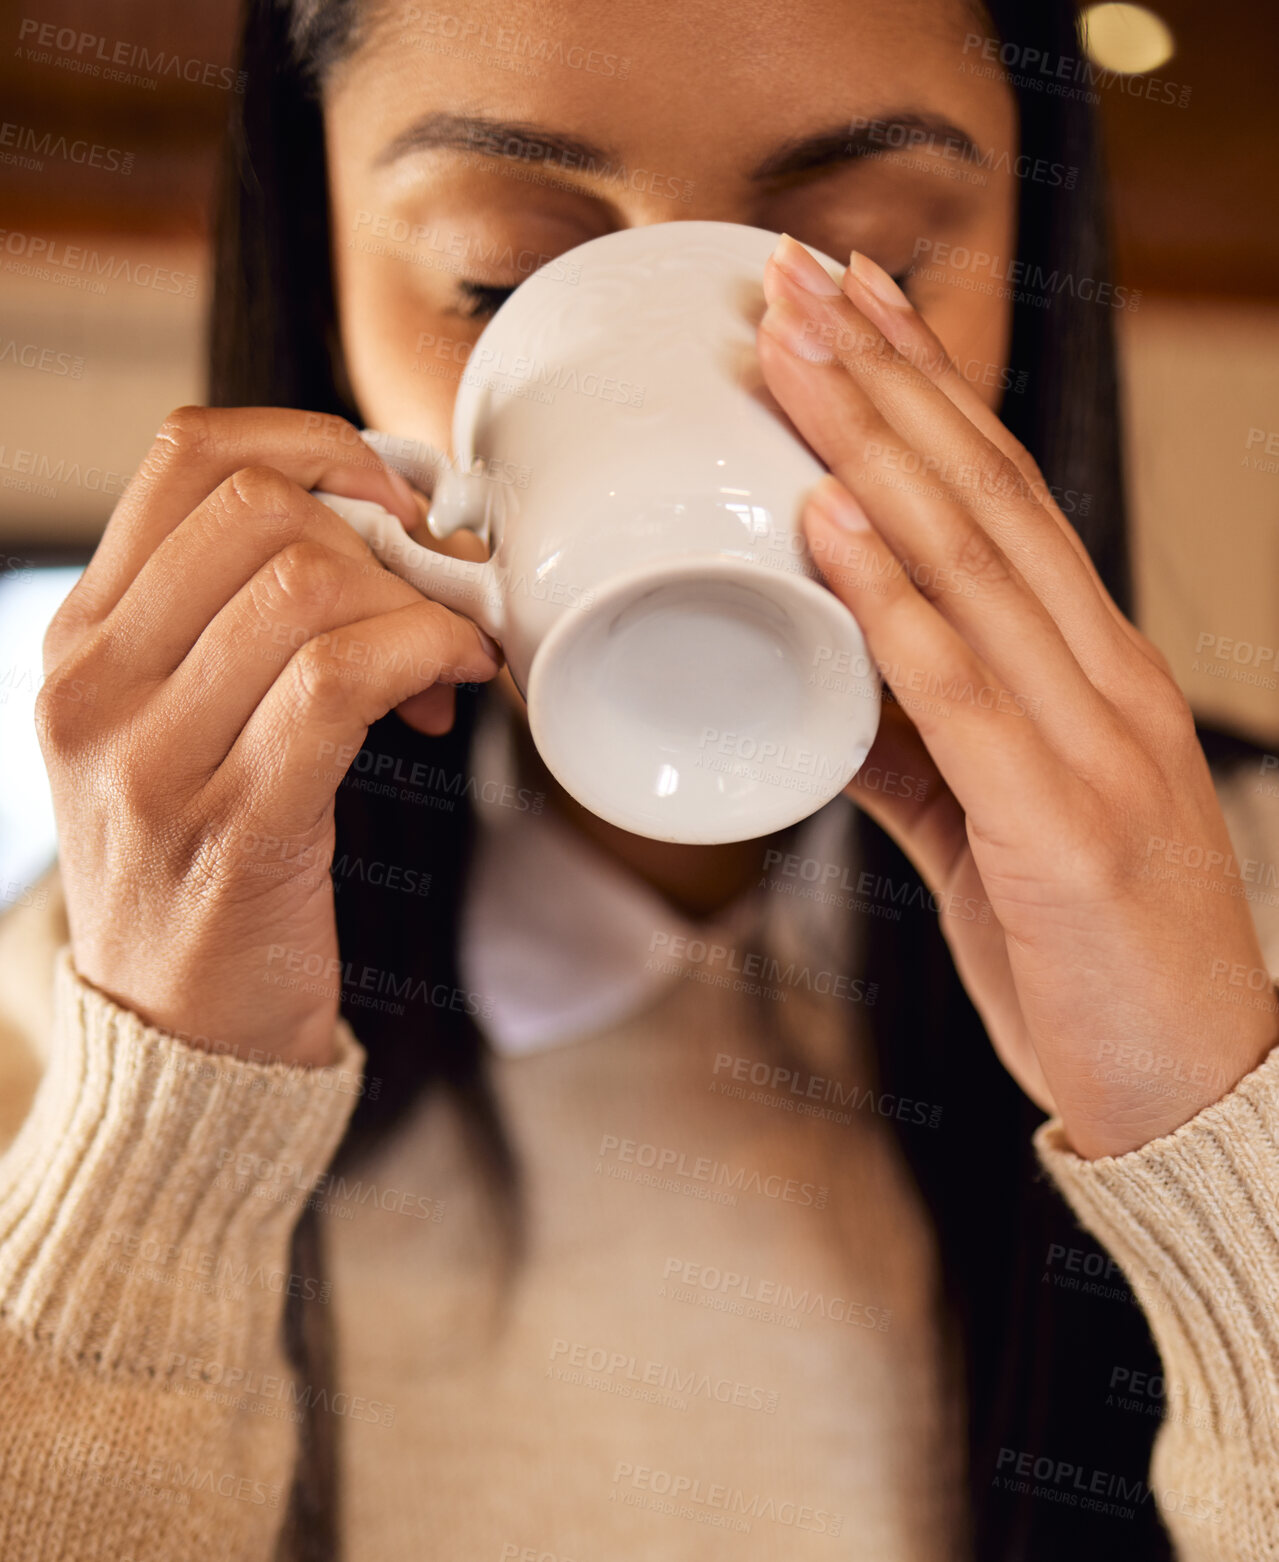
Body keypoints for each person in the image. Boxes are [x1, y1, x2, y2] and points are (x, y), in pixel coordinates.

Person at [1, 0, 1276, 1557]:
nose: (721, 400)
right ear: (320, 265)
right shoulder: (69, 1016)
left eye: (864, 261)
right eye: (503, 275)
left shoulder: (1255, 905)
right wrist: (168, 1131)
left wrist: (1212, 1117)